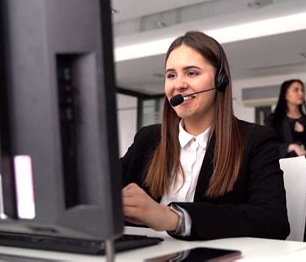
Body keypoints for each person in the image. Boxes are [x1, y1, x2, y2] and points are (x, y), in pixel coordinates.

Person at [120, 31, 290, 241]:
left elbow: (273, 221)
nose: (179, 84)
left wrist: (173, 218)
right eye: (171, 75)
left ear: (220, 80)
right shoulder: (148, 139)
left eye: (191, 73)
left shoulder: (256, 140)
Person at [265, 79, 306, 242]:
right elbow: (268, 148)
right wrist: (291, 147)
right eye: (296, 90)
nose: (301, 93)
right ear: (285, 94)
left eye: (302, 90)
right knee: (284, 218)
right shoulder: (273, 119)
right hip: (282, 174)